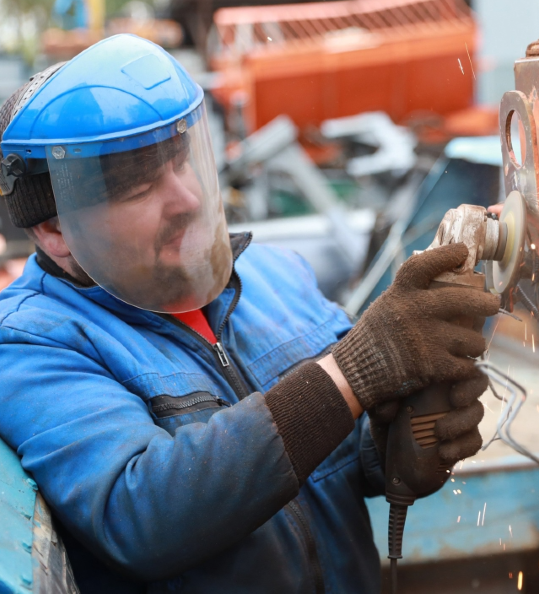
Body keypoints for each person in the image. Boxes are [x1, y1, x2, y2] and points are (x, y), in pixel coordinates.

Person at [0, 34, 500, 593]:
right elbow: (141, 514)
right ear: (55, 229)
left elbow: (339, 439)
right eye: (140, 184)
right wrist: (355, 371)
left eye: (179, 161)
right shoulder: (30, 344)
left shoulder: (273, 276)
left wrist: (390, 445)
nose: (187, 198)